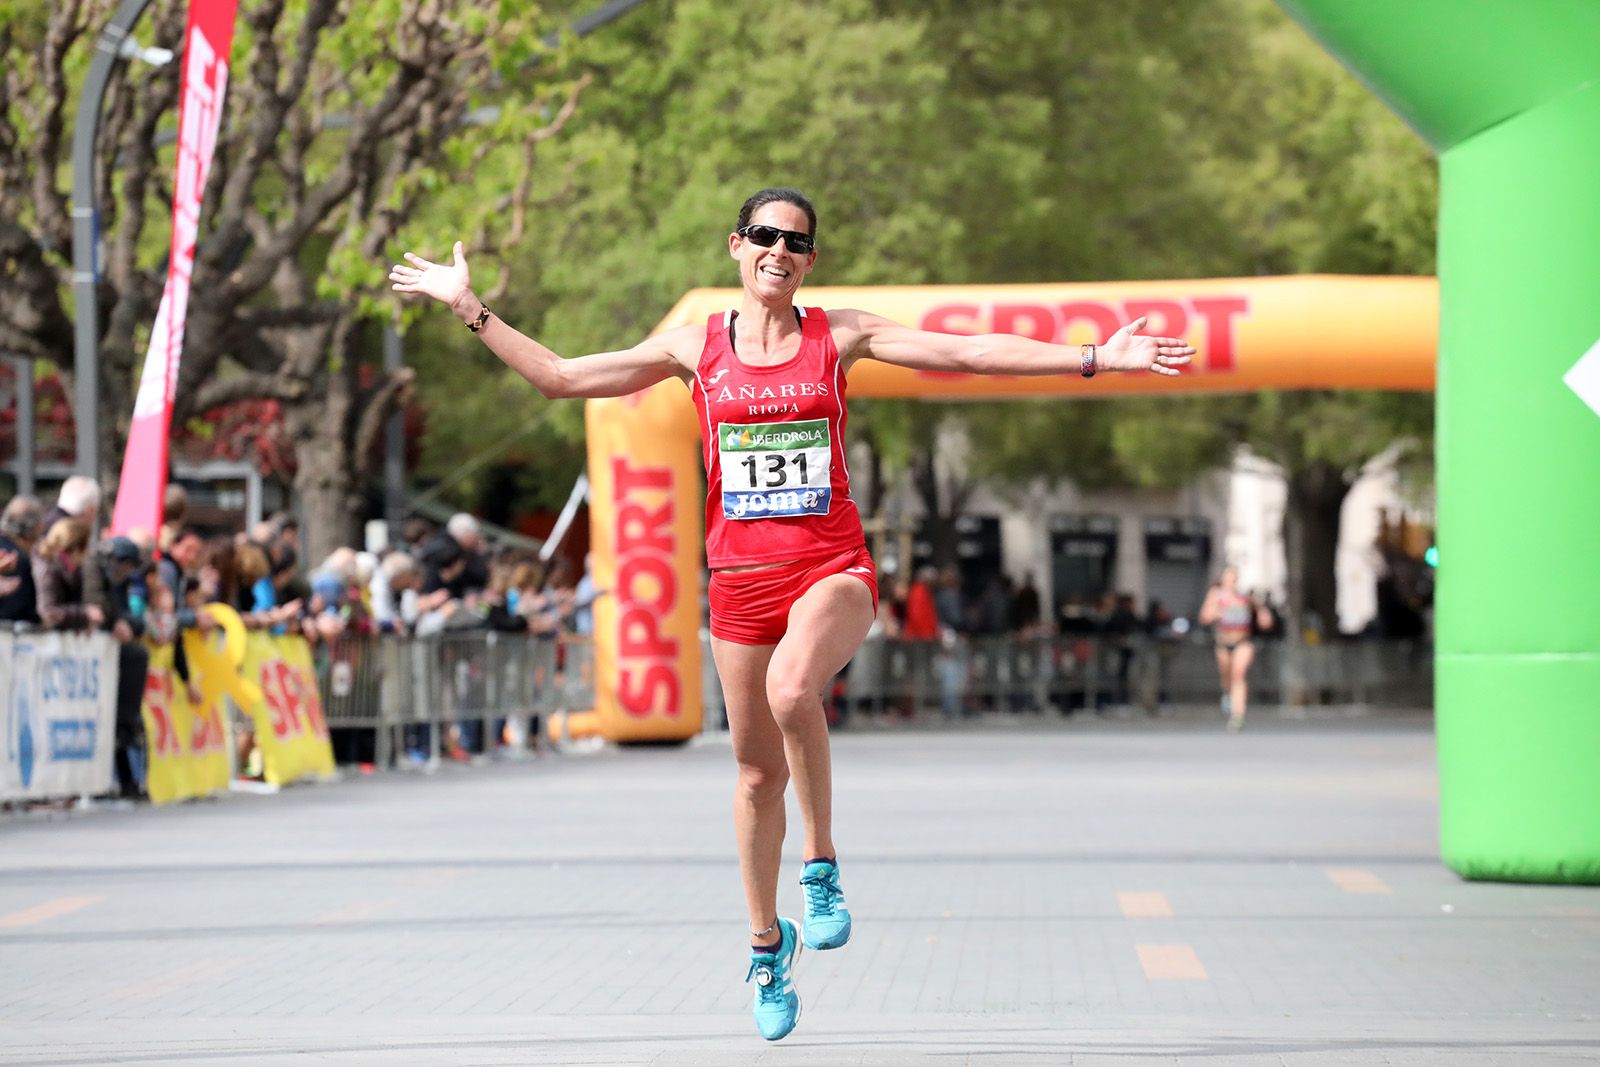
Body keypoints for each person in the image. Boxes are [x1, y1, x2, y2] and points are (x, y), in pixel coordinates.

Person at [390, 186, 1193, 1041]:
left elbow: (969, 353)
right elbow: (560, 378)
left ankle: (821, 865)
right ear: (737, 245)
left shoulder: (839, 336)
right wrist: (468, 307)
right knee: (752, 776)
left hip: (831, 569)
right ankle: (767, 944)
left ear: (810, 261)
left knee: (790, 686)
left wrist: (1097, 357)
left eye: (796, 241)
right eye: (765, 235)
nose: (780, 250)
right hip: (739, 586)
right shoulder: (693, 348)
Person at [1198, 565, 1274, 731]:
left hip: (1243, 642)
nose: (1232, 581)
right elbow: (1204, 617)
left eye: (1234, 578)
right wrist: (1216, 612)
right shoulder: (1216, 595)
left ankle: (1238, 715)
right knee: (1227, 677)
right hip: (1223, 643)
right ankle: (1227, 693)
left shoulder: (1245, 597)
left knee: (1239, 675)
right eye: (1229, 577)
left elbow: (1265, 621)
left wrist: (1262, 612)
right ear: (1223, 579)